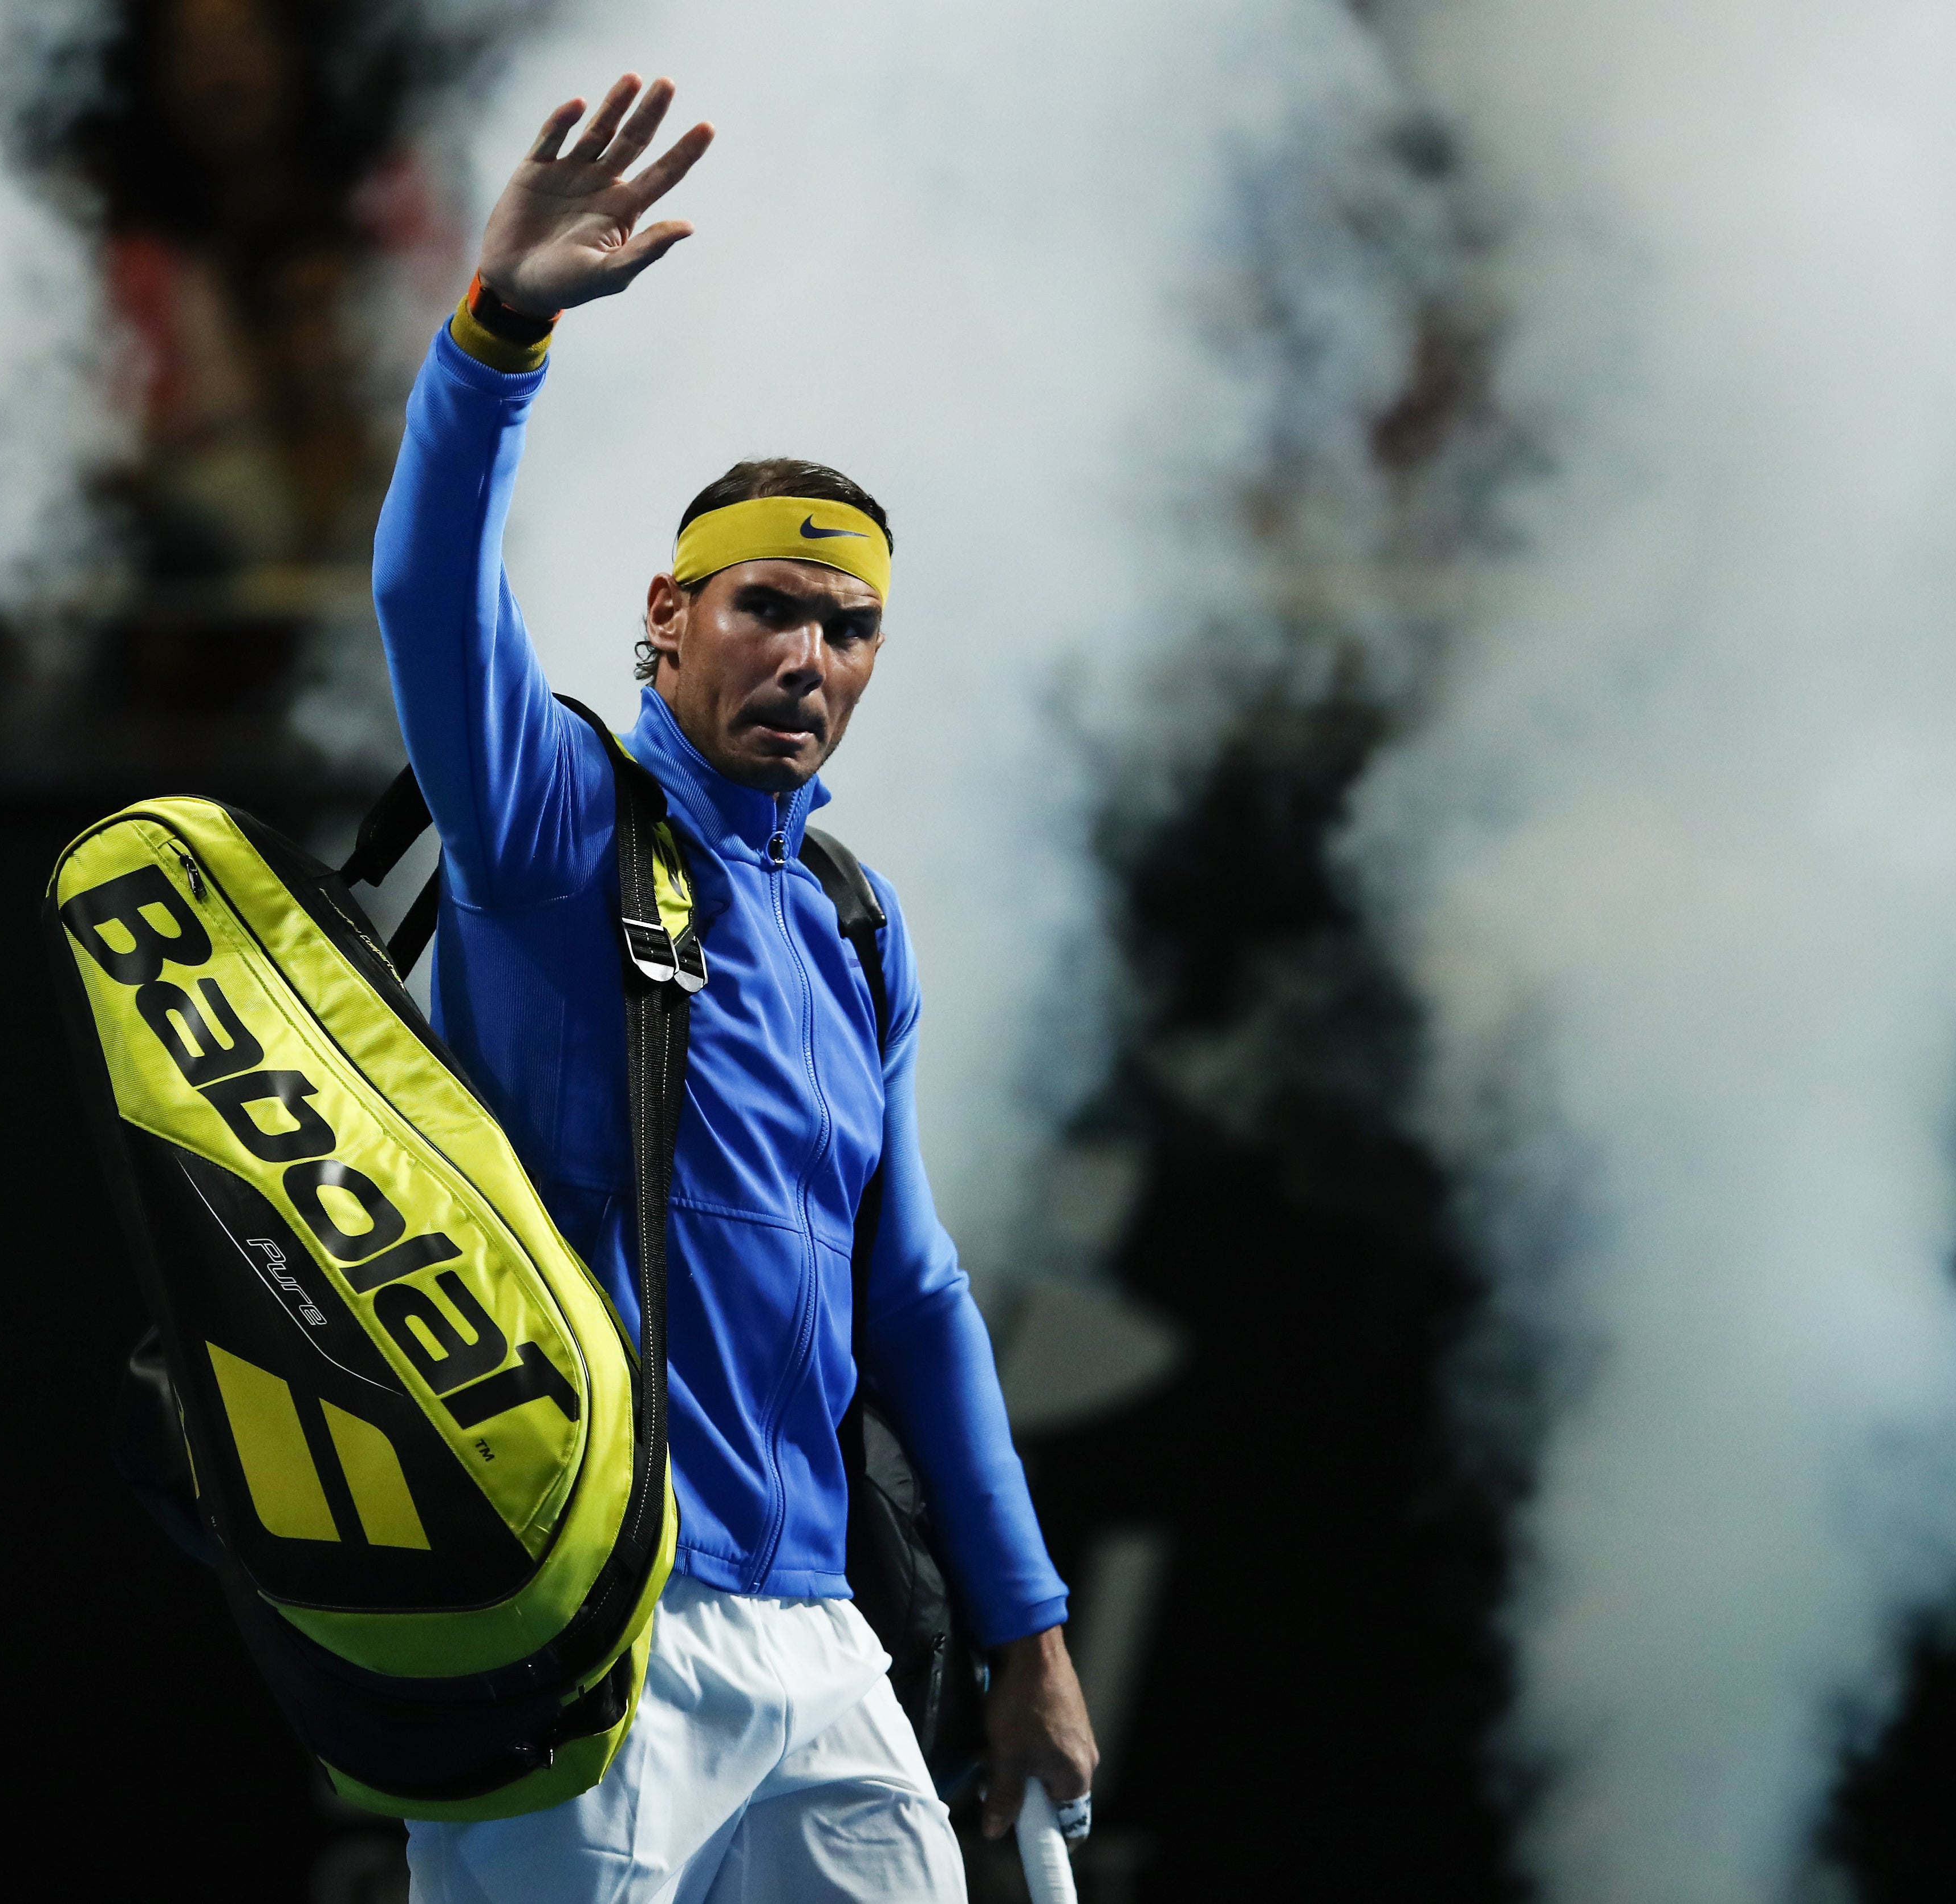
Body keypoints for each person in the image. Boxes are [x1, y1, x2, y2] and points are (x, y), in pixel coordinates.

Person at [371, 71, 1095, 1903]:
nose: (808, 654)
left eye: (846, 627)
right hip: (587, 1619)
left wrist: (1030, 1635)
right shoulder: (553, 823)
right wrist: (499, 331)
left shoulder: (855, 922)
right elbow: (426, 599)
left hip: (821, 1636)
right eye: (766, 605)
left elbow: (914, 1292)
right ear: (666, 617)